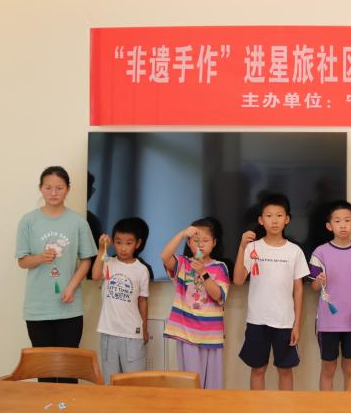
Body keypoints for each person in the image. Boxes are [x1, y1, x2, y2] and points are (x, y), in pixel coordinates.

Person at [14, 166, 97, 382]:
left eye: (59, 188)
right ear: (40, 189)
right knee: (45, 372)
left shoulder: (78, 222)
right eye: (48, 187)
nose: (53, 193)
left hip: (69, 308)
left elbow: (86, 260)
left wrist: (71, 287)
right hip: (38, 308)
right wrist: (40, 258)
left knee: (69, 371)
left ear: (68, 189)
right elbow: (22, 261)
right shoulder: (28, 221)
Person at [234, 193, 309, 390]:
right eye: (269, 216)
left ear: (287, 219)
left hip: (285, 322)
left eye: (279, 215)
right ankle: (258, 406)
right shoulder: (252, 247)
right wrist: (241, 247)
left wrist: (296, 325)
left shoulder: (295, 251)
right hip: (257, 320)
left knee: (285, 370)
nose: (274, 220)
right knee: (258, 369)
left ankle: (284, 406)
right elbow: (238, 280)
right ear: (261, 220)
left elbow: (298, 290)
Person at [308, 200, 351, 391]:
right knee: (328, 368)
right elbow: (313, 287)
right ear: (329, 226)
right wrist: (319, 280)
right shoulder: (320, 252)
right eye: (337, 221)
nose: (342, 225)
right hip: (328, 321)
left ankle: (349, 405)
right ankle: (327, 405)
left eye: (347, 220)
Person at [161, 217, 230, 389]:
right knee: (191, 384)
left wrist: (203, 272)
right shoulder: (183, 263)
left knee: (212, 386)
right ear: (189, 243)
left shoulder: (220, 267)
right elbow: (164, 256)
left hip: (212, 335)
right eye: (196, 240)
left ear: (214, 243)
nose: (200, 245)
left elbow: (218, 295)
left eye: (205, 240)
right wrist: (182, 233)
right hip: (187, 334)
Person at [92, 218, 150, 384]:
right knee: (110, 383)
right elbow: (95, 276)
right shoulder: (108, 262)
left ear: (138, 244)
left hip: (132, 334)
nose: (123, 248)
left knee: (134, 383)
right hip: (109, 332)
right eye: (118, 242)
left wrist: (144, 329)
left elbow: (143, 301)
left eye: (128, 243)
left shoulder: (141, 270)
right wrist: (101, 249)